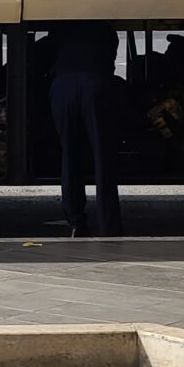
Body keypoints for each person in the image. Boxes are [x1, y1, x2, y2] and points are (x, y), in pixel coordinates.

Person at [45, 21, 124, 237]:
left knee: (69, 156)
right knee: (103, 159)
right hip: (96, 86)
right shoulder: (105, 27)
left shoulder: (60, 25)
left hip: (63, 87)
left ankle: (76, 221)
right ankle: (109, 225)